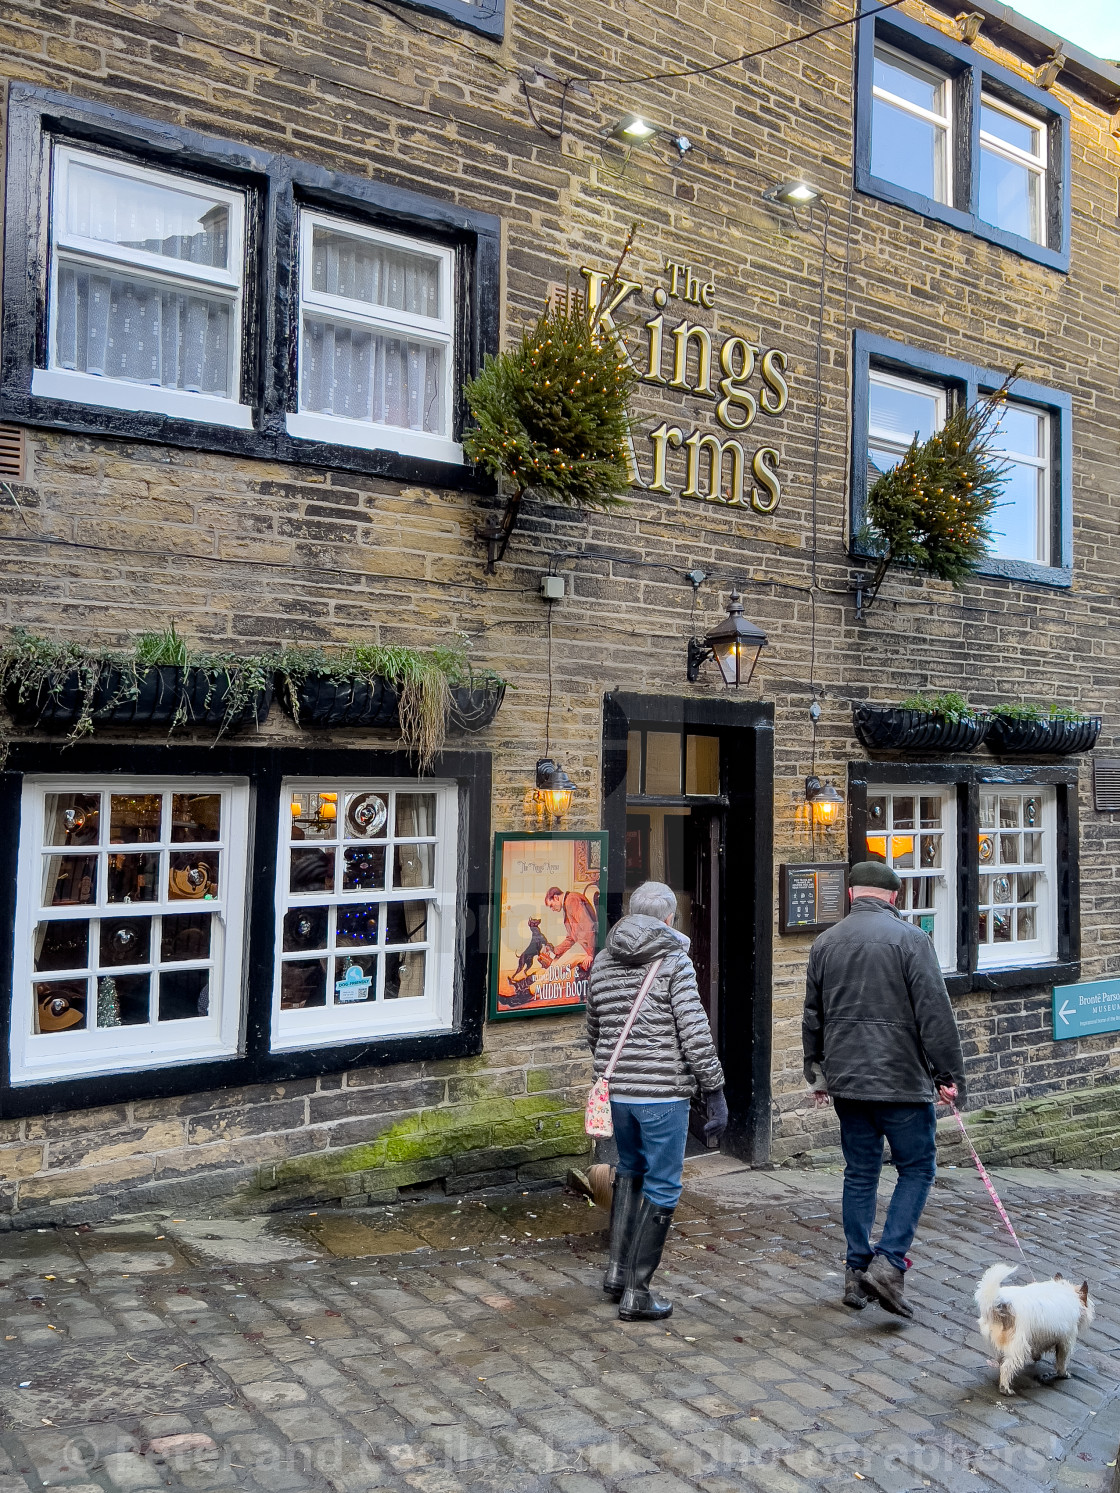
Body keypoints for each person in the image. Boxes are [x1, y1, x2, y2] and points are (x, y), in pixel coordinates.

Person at [802, 861, 966, 1319]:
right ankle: (889, 1263)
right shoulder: (912, 940)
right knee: (916, 1169)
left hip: (849, 1083)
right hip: (901, 1083)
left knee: (859, 1173)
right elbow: (935, 1014)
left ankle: (856, 1272)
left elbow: (812, 1014)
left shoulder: (825, 942)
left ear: (852, 894)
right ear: (893, 896)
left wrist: (817, 1075)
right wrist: (948, 1075)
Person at [586, 880, 728, 1322]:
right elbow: (694, 1030)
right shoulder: (674, 961)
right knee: (663, 1185)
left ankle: (615, 1274)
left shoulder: (603, 959)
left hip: (617, 1092)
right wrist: (715, 1090)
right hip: (662, 1095)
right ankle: (638, 1292)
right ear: (669, 920)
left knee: (629, 1172)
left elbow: (594, 1028)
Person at [545, 885, 598, 972]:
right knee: (552, 965)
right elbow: (571, 938)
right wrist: (554, 950)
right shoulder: (567, 903)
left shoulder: (572, 900)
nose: (552, 909)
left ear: (556, 897)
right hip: (582, 945)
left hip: (586, 946)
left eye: (551, 905)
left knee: (552, 971)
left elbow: (588, 926)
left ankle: (534, 986)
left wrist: (590, 954)